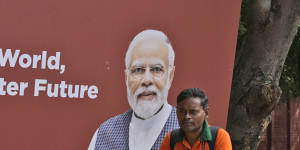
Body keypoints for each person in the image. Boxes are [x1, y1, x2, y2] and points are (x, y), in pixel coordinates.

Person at [88, 29, 179, 150]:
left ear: (170, 76)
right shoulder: (104, 135)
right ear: (126, 78)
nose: (147, 80)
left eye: (156, 69)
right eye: (138, 70)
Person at [160, 88, 232, 150]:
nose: (186, 116)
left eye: (193, 112)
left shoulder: (219, 137)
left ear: (206, 113)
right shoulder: (171, 138)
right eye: (182, 111)